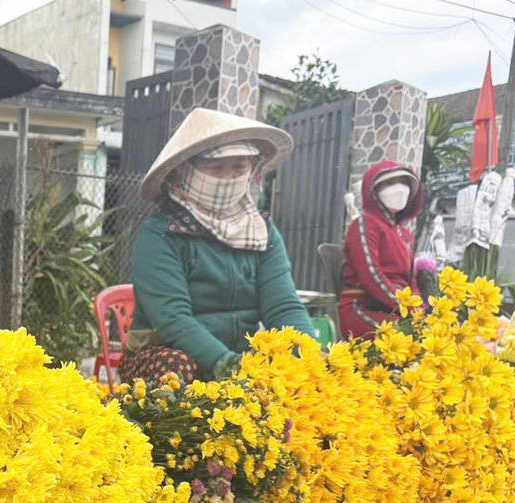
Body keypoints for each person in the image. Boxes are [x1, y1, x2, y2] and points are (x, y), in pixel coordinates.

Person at [122, 108, 316, 385]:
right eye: (215, 167)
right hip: (164, 356)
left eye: (238, 166)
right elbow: (173, 320)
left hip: (241, 359)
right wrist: (229, 367)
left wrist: (307, 356)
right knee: (177, 370)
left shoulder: (261, 232)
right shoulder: (160, 235)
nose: (228, 177)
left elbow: (282, 306)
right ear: (186, 171)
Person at [339, 161, 423, 340]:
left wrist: (420, 310)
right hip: (360, 309)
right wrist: (408, 307)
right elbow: (371, 276)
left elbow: (411, 282)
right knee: (410, 337)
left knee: (435, 333)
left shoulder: (406, 235)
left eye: (402, 182)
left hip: (396, 311)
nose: (399, 188)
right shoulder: (365, 224)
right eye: (389, 183)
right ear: (374, 191)